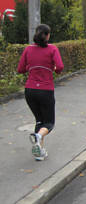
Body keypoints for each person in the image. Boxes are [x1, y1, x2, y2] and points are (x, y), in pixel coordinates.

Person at [17, 24, 64, 161]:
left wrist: (31, 67)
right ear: (48, 35)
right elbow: (60, 67)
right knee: (49, 123)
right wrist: (53, 69)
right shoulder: (52, 49)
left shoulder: (28, 49)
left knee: (39, 120)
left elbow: (20, 69)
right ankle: (38, 136)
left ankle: (39, 153)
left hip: (30, 90)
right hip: (45, 90)